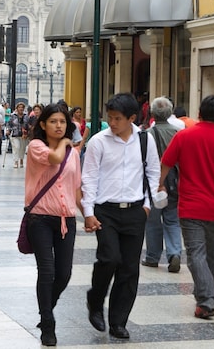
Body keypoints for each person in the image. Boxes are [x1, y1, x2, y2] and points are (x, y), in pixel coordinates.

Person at [158, 95, 214, 320]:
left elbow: (166, 163)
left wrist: (159, 184)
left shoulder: (184, 136)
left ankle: (206, 299)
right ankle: (205, 300)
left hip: (190, 206)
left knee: (196, 254)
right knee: (211, 253)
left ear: (199, 113)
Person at [81, 93, 160, 340]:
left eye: (117, 119)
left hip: (135, 211)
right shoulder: (98, 142)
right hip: (106, 211)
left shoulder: (145, 140)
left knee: (128, 269)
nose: (112, 123)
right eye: (110, 118)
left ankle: (118, 321)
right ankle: (95, 300)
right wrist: (88, 212)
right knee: (109, 258)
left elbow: (153, 173)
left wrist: (147, 206)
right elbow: (89, 178)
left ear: (132, 119)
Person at [25, 104, 82, 346]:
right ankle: (48, 323)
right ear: (43, 125)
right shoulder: (36, 147)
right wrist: (66, 143)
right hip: (40, 218)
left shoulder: (75, 155)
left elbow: (76, 188)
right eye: (53, 122)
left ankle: (47, 306)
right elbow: (55, 158)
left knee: (64, 273)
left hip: (66, 219)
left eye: (62, 122)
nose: (59, 126)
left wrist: (87, 214)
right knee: (47, 272)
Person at [141, 97, 183, 273]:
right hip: (175, 180)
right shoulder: (179, 133)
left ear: (152, 114)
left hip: (154, 182)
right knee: (173, 220)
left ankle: (152, 257)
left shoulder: (147, 134)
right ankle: (174, 253)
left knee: (153, 221)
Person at [8, 102, 30, 168]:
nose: (21, 109)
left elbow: (28, 125)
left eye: (22, 107)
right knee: (16, 147)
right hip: (15, 134)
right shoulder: (13, 116)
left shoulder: (26, 116)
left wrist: (27, 131)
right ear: (17, 108)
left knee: (22, 148)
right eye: (19, 107)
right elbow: (9, 124)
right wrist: (8, 130)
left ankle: (21, 160)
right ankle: (16, 161)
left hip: (23, 135)